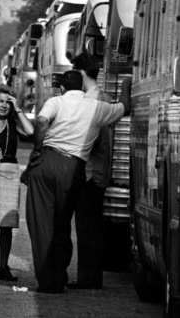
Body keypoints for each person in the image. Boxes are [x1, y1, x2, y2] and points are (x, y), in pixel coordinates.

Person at [26, 70, 129, 293]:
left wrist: (37, 148)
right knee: (62, 224)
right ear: (81, 88)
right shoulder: (96, 107)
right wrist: (127, 84)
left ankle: (46, 279)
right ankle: (58, 277)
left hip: (47, 160)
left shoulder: (56, 101)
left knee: (41, 222)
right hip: (74, 167)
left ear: (62, 88)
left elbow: (42, 121)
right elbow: (123, 107)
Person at [70, 52, 113, 289]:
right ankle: (91, 276)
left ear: (82, 73)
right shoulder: (104, 96)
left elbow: (92, 138)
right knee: (92, 226)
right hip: (98, 170)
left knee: (87, 227)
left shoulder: (91, 100)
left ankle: (88, 278)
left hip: (89, 171)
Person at [0, 84, 33, 283]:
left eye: (7, 102)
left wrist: (18, 109)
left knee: (6, 224)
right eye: (0, 101)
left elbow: (30, 131)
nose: (4, 106)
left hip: (9, 170)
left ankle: (3, 265)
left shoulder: (13, 121)